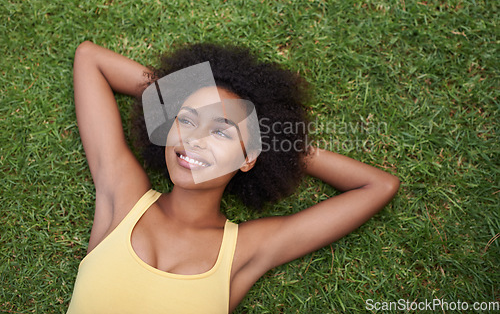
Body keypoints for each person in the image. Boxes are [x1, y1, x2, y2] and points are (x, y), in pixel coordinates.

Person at [67, 41, 400, 314]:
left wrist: (277, 140)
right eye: (185, 120)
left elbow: (378, 186)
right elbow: (90, 59)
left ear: (248, 158)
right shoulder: (124, 196)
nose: (194, 138)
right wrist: (183, 92)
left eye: (222, 133)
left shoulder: (244, 250)